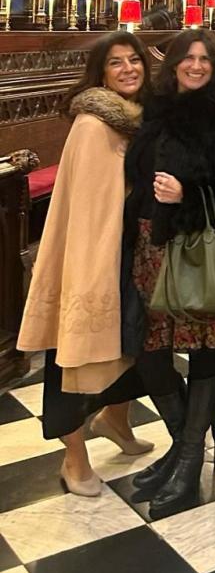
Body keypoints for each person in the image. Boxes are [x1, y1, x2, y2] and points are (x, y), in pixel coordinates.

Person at [18, 33, 161, 496]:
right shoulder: (93, 122)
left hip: (130, 254)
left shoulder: (138, 119)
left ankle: (115, 422)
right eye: (116, 63)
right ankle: (74, 458)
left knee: (132, 347)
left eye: (134, 61)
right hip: (92, 259)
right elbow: (88, 209)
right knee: (74, 360)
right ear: (101, 72)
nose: (128, 69)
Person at [123, 29, 215, 518]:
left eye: (204, 59)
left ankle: (188, 463)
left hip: (196, 250)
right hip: (150, 246)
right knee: (148, 351)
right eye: (188, 58)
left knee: (203, 352)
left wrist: (191, 198)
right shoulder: (153, 110)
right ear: (173, 63)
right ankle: (183, 450)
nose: (196, 66)